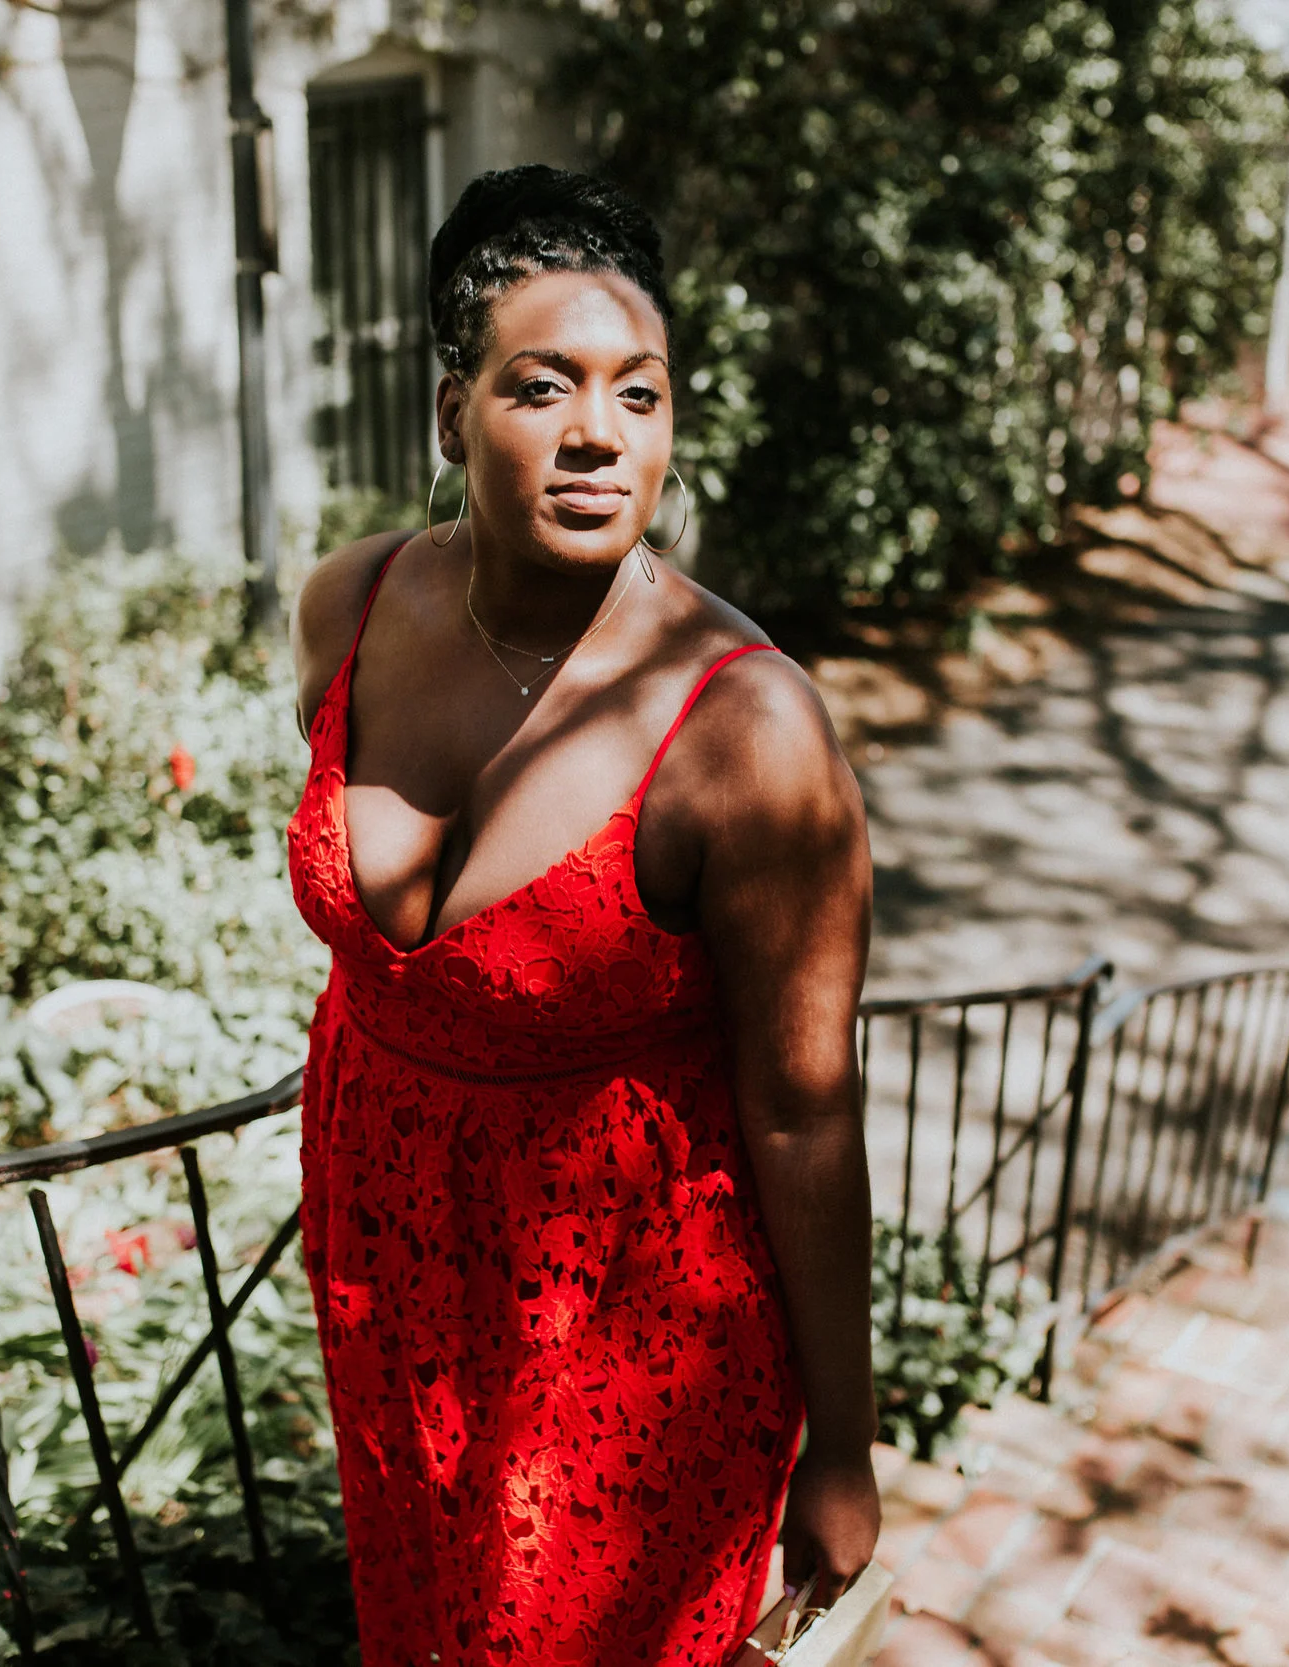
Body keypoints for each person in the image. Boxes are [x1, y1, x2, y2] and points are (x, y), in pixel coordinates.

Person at [285, 164, 878, 1665]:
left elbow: (807, 1112)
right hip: (389, 1275)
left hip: (627, 1335)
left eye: (642, 393)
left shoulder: (748, 734)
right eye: (543, 387)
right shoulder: (347, 608)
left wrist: (846, 1446)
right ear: (451, 414)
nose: (601, 435)